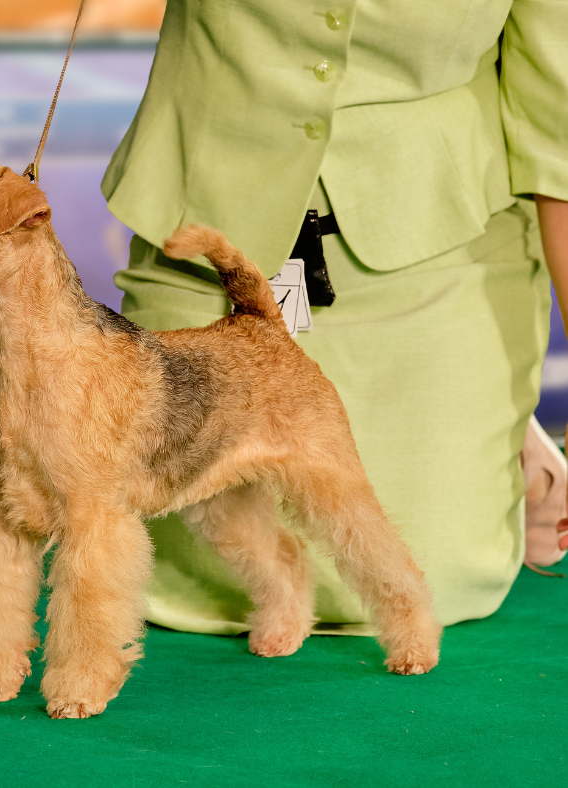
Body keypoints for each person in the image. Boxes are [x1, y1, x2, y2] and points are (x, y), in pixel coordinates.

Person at [101, 0, 568, 635]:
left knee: (436, 581)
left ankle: (504, 427)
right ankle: (507, 437)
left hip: (439, 241)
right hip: (205, 224)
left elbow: (559, 141)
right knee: (193, 583)